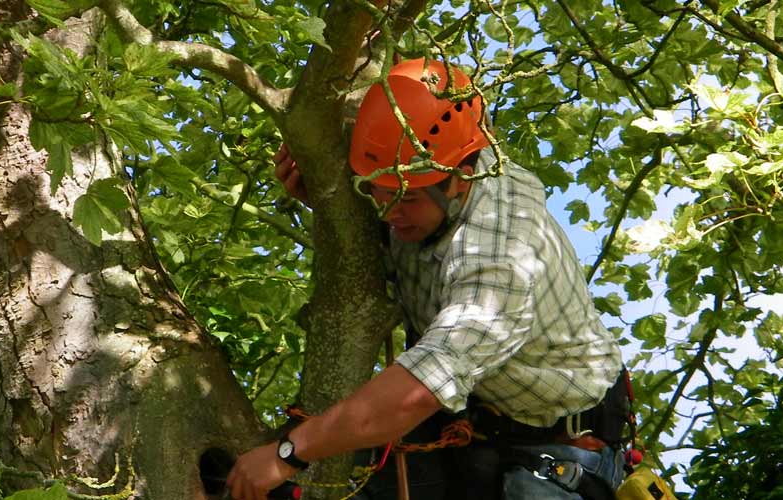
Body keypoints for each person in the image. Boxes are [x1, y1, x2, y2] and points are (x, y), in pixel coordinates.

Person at [226, 58, 626, 500]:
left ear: (462, 177)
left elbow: (425, 383)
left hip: (553, 451)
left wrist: (287, 453)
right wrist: (327, 197)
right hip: (464, 425)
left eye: (407, 198)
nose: (388, 210)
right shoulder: (416, 158)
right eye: (375, 189)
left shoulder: (499, 252)